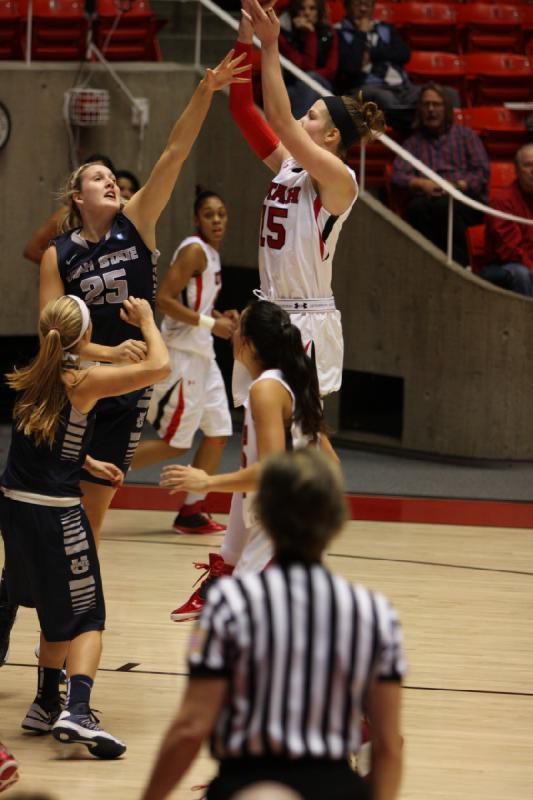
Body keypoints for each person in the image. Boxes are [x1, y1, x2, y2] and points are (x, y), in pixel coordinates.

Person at [0, 50, 250, 665]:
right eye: (97, 176)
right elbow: (50, 334)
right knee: (43, 534)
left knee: (86, 533)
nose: (110, 179)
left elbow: (173, 152)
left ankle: (52, 666)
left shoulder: (137, 225)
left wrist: (206, 90)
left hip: (124, 400)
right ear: (76, 195)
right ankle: (12, 613)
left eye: (112, 175)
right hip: (80, 390)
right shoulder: (61, 253)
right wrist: (109, 348)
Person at [141, 448, 405, 800]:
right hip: (334, 786)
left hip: (246, 781)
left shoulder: (226, 606)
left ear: (263, 514)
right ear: (337, 520)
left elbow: (190, 727)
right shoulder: (374, 613)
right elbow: (388, 745)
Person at [0, 294, 169, 758]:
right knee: (87, 616)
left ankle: (43, 703)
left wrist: (87, 461)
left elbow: (45, 439)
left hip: (14, 509)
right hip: (56, 513)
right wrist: (149, 321)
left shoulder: (34, 371)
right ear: (87, 336)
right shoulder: (84, 380)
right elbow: (159, 367)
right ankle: (78, 709)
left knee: (56, 612)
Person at [229, 0, 384, 400]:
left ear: (333, 137)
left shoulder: (340, 179)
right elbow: (242, 107)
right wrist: (246, 33)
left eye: (312, 116)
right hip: (270, 311)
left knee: (296, 435)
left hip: (305, 320)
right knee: (276, 436)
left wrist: (271, 44)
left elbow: (279, 119)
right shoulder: (289, 163)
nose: (302, 118)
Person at [161, 300, 330, 622]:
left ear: (248, 344)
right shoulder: (287, 384)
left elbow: (271, 470)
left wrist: (206, 482)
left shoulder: (266, 389)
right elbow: (330, 464)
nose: (232, 329)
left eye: (239, 326)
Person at [130, 188, 237, 534]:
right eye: (209, 214)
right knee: (176, 442)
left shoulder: (211, 252)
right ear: (196, 219)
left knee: (219, 432)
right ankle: (96, 470)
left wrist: (219, 317)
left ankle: (191, 510)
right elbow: (163, 299)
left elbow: (196, 305)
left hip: (203, 354)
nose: (217, 220)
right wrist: (210, 323)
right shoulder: (193, 250)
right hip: (183, 356)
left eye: (221, 213)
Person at [391, 82, 490, 267]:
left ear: (447, 108)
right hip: (428, 198)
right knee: (416, 208)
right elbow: (397, 175)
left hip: (463, 198)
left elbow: (481, 173)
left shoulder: (466, 136)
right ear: (419, 109)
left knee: (443, 206)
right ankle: (429, 265)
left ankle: (460, 266)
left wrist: (456, 186)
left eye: (436, 104)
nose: (431, 110)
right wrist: (422, 184)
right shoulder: (413, 143)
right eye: (426, 105)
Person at [22, 154, 117, 266]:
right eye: (97, 178)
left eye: (112, 179)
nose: (108, 182)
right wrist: (66, 270)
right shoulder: (65, 215)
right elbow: (32, 250)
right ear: (79, 192)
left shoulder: (125, 221)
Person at [336, 0, 417, 129]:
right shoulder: (338, 32)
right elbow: (351, 67)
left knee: (440, 95)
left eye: (367, 5)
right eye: (357, 4)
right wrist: (361, 34)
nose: (363, 9)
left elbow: (404, 54)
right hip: (363, 87)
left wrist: (372, 54)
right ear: (346, 7)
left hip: (400, 86)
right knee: (385, 98)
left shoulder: (384, 28)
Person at [480, 143, 533, 296]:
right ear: (516, 170)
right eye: (528, 165)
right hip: (502, 266)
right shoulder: (502, 201)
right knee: (522, 273)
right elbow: (509, 249)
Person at [278, 0, 339, 119]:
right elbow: (305, 67)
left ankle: (297, 130)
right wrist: (309, 34)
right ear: (295, 11)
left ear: (319, 12)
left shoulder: (329, 32)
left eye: (312, 9)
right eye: (302, 8)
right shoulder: (285, 35)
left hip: (322, 84)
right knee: (306, 85)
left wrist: (311, 75)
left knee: (311, 80)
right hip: (293, 84)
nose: (306, 13)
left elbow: (331, 70)